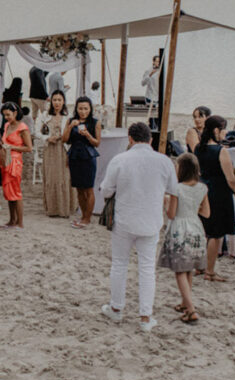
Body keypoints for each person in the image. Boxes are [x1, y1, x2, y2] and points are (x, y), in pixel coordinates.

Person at [99, 122, 179, 333]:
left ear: (130, 138)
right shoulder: (164, 161)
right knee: (146, 269)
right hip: (151, 220)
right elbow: (173, 189)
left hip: (124, 218)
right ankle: (145, 316)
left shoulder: (120, 160)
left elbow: (106, 190)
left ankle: (116, 308)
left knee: (119, 264)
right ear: (150, 139)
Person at [158, 153, 210, 324]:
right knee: (189, 269)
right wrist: (192, 209)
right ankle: (184, 303)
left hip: (180, 230)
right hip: (195, 228)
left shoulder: (177, 189)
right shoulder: (203, 188)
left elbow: (172, 214)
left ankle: (191, 309)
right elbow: (206, 213)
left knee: (180, 270)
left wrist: (167, 204)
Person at [196, 115, 235, 282]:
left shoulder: (198, 148)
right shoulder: (220, 151)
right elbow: (230, 177)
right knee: (216, 235)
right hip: (219, 192)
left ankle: (200, 266)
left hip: (204, 190)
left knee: (206, 231)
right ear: (216, 130)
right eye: (224, 129)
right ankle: (209, 270)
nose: (225, 133)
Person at [64, 96, 101, 228]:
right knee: (79, 188)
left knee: (89, 189)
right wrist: (69, 127)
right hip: (74, 156)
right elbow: (65, 139)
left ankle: (87, 218)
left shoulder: (95, 122)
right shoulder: (71, 121)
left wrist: (87, 135)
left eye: (85, 108)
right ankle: (83, 216)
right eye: (80, 108)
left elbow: (97, 143)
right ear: (76, 108)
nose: (83, 111)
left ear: (90, 109)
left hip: (89, 156)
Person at [0, 102, 31, 229]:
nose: (6, 117)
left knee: (16, 192)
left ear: (15, 113)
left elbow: (29, 148)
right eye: (4, 115)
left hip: (15, 162)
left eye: (8, 114)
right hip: (6, 160)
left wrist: (12, 147)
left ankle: (20, 222)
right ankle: (12, 219)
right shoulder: (7, 125)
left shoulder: (22, 127)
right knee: (8, 191)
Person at [41, 90, 72, 218]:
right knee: (51, 176)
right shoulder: (45, 116)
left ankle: (64, 208)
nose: (57, 103)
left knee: (64, 176)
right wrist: (48, 138)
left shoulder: (67, 117)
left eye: (59, 100)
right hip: (50, 149)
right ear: (51, 101)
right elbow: (37, 132)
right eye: (55, 100)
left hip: (63, 149)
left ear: (63, 101)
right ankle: (52, 208)